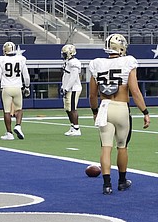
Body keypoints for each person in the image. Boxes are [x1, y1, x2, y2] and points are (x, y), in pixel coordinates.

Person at [88, 33, 150, 195]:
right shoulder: (128, 61)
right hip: (121, 107)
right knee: (122, 147)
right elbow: (135, 91)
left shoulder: (96, 63)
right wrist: (145, 111)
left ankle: (106, 185)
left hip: (104, 107)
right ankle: (122, 181)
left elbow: (92, 95)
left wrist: (95, 111)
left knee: (105, 147)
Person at [0, 41, 30, 140]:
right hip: (18, 87)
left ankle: (9, 133)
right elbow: (26, 76)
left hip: (6, 87)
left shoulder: (1, 60)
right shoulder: (20, 59)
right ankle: (18, 125)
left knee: (7, 111)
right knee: (19, 109)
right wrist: (27, 87)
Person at [60, 43, 83, 136]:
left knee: (72, 108)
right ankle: (73, 126)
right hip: (68, 88)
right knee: (67, 108)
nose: (63, 55)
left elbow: (73, 77)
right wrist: (63, 87)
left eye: (65, 53)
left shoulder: (74, 63)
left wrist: (66, 88)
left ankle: (77, 128)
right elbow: (66, 76)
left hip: (73, 89)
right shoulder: (68, 62)